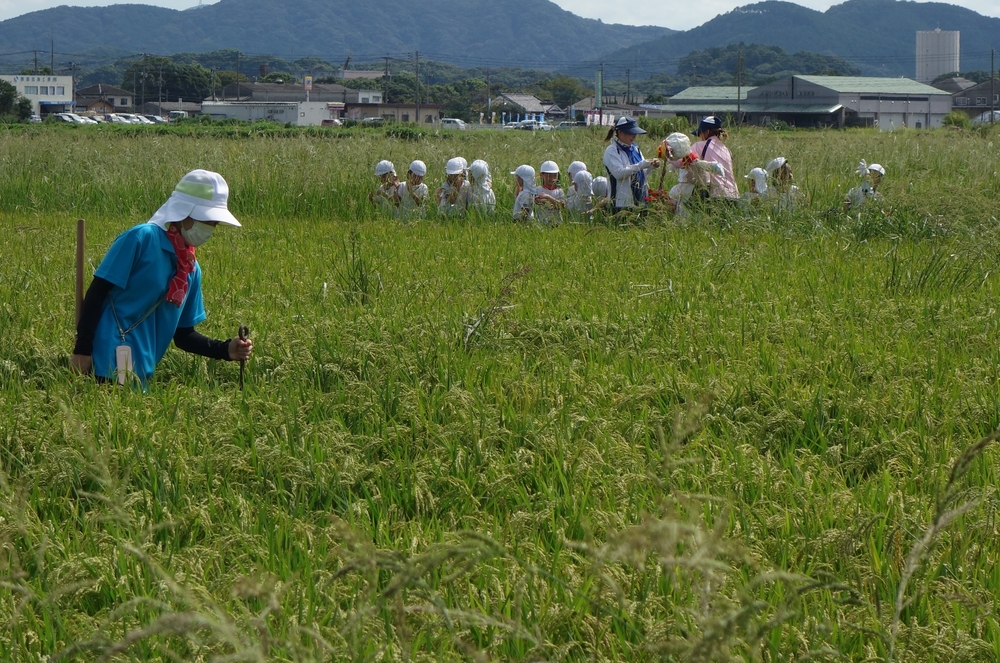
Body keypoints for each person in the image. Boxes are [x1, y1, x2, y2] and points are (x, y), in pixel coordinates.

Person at [70, 169, 252, 386]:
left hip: (139, 375)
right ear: (183, 212)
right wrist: (82, 350)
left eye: (214, 223)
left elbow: (183, 335)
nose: (210, 228)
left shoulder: (190, 270)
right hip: (101, 364)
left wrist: (225, 349)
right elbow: (97, 292)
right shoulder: (141, 239)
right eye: (206, 219)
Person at [602, 116, 660, 211]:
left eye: (635, 133)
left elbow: (642, 173)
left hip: (641, 202)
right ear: (620, 132)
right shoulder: (612, 151)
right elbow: (618, 173)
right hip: (620, 205)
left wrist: (651, 167)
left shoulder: (635, 149)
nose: (634, 136)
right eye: (630, 133)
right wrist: (642, 165)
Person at [689, 116, 739, 200]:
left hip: (715, 196)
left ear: (707, 132)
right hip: (734, 196)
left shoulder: (699, 146)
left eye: (700, 133)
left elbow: (683, 160)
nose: (700, 137)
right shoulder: (726, 149)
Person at [535, 160, 566, 225]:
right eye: (548, 176)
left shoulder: (559, 191)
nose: (552, 178)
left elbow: (561, 206)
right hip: (541, 223)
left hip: (557, 223)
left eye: (554, 175)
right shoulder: (537, 190)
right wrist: (553, 202)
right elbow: (536, 201)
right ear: (541, 175)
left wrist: (548, 197)